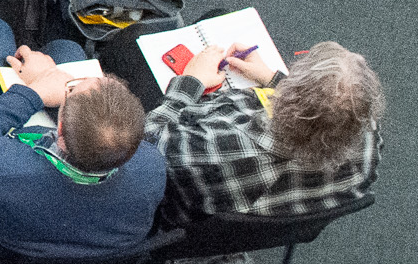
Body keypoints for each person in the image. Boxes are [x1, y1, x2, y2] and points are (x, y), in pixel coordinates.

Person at [0, 13, 165, 259]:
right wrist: (48, 79)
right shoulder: (152, 165)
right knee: (66, 50)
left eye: (70, 89)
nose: (71, 83)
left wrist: (34, 93)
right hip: (65, 244)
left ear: (59, 131)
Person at [146, 40, 383, 225]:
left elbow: (142, 148)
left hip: (177, 213)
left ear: (288, 98)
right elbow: (329, 115)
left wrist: (190, 81)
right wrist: (273, 79)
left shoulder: (214, 146)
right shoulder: (369, 142)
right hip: (259, 225)